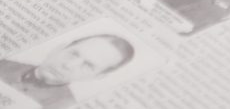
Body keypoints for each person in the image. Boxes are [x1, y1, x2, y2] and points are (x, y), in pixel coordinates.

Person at [0, 35, 134, 108]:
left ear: (98, 76)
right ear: (59, 48)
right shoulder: (4, 63)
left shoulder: (63, 105)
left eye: (88, 65)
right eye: (73, 54)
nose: (68, 65)